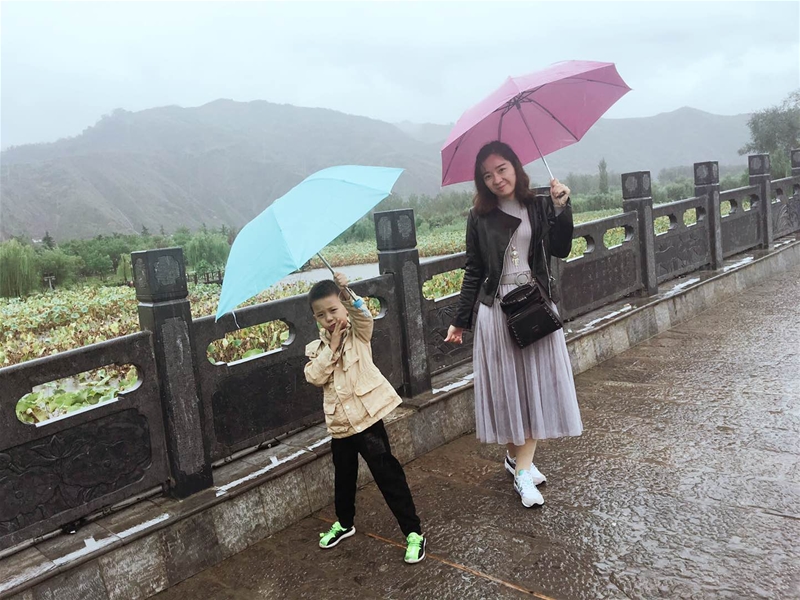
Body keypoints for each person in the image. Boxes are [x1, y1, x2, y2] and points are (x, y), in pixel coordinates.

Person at [444, 140, 583, 508]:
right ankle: (516, 461)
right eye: (487, 175)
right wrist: (460, 321)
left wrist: (561, 207)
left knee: (534, 386)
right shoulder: (478, 216)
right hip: (497, 311)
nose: (496, 179)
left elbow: (561, 248)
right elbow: (474, 270)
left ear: (516, 168)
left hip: (534, 304)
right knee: (510, 391)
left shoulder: (538, 204)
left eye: (501, 169)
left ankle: (522, 470)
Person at [305, 272, 426, 563]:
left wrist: (346, 292)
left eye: (333, 310)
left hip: (367, 422)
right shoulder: (316, 349)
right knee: (343, 479)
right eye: (321, 315)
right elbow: (314, 376)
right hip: (340, 427)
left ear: (343, 308)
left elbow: (364, 316)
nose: (329, 318)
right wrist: (332, 347)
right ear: (315, 318)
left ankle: (413, 532)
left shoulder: (358, 334)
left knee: (388, 476)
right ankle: (345, 523)